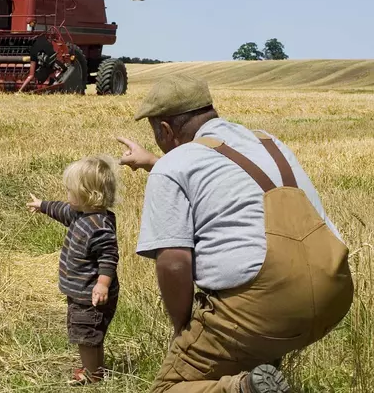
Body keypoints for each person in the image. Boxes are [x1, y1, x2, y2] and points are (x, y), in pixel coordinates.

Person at [117, 73, 354, 393]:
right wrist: (153, 163)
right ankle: (258, 379)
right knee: (257, 344)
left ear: (165, 129)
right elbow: (222, 184)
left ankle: (242, 389)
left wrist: (183, 330)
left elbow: (173, 261)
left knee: (168, 388)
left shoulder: (173, 165)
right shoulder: (269, 142)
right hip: (333, 295)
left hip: (262, 306)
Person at [27, 155, 120, 386]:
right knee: (91, 333)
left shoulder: (98, 226)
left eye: (70, 191)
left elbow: (109, 257)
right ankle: (95, 369)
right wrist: (43, 205)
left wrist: (102, 284)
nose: (66, 195)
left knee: (86, 335)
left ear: (88, 194)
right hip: (84, 293)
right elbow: (61, 210)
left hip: (91, 295)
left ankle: (91, 375)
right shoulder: (81, 215)